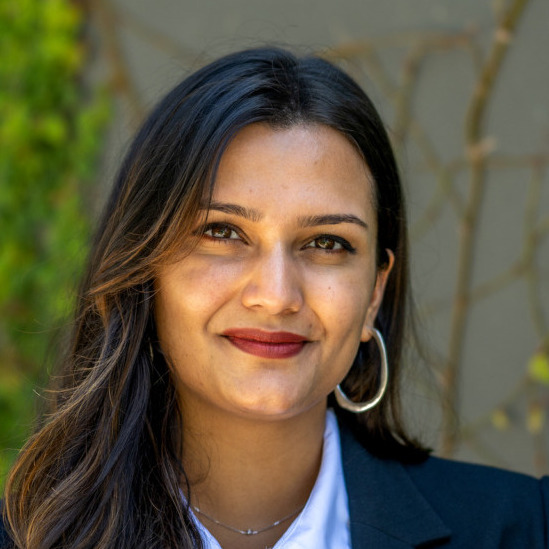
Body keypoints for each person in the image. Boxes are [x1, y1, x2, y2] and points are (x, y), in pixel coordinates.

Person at [1, 47, 547, 549]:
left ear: (375, 292)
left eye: (327, 243)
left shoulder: (523, 528)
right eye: (223, 233)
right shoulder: (23, 536)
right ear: (145, 268)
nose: (277, 295)